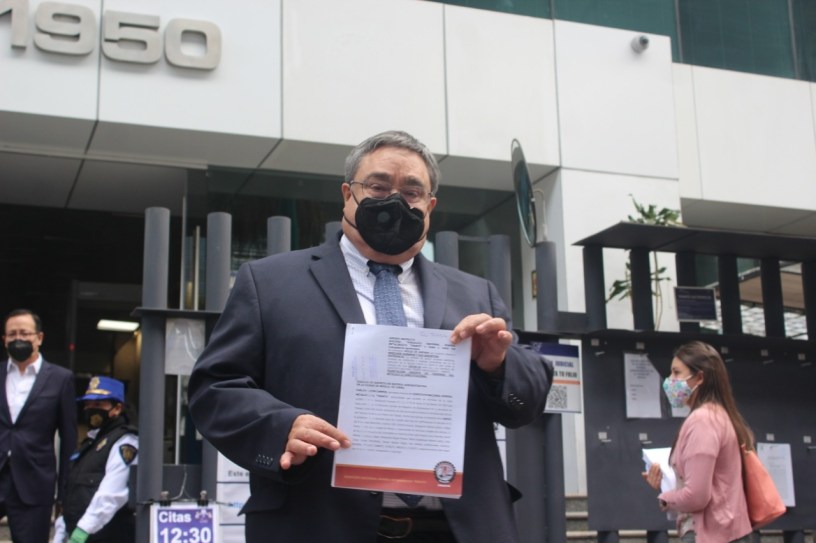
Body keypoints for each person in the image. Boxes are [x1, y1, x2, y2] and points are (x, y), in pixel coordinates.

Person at [188, 130, 553, 542]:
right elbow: (214, 389)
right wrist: (281, 428)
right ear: (348, 194)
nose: (395, 201)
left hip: (456, 528)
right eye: (378, 187)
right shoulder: (270, 283)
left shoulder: (474, 293)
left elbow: (528, 402)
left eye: (412, 192)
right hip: (318, 524)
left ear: (430, 206)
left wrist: (497, 365)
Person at [642, 341, 754, 543]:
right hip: (730, 530)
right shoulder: (721, 415)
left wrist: (666, 497)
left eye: (677, 372)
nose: (669, 380)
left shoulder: (702, 421)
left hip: (711, 533)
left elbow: (697, 496)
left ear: (700, 377)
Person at [0, 308, 77, 543]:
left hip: (34, 483)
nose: (18, 339)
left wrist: (64, 493)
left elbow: (69, 439)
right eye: (12, 334)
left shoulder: (60, 379)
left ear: (39, 338)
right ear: (4, 340)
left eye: (24, 333)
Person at [53, 376, 138, 543]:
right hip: (82, 534)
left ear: (117, 408)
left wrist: (83, 531)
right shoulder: (89, 444)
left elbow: (112, 494)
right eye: (88, 405)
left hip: (108, 536)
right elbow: (73, 494)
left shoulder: (125, 442)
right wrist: (61, 533)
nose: (91, 410)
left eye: (98, 405)